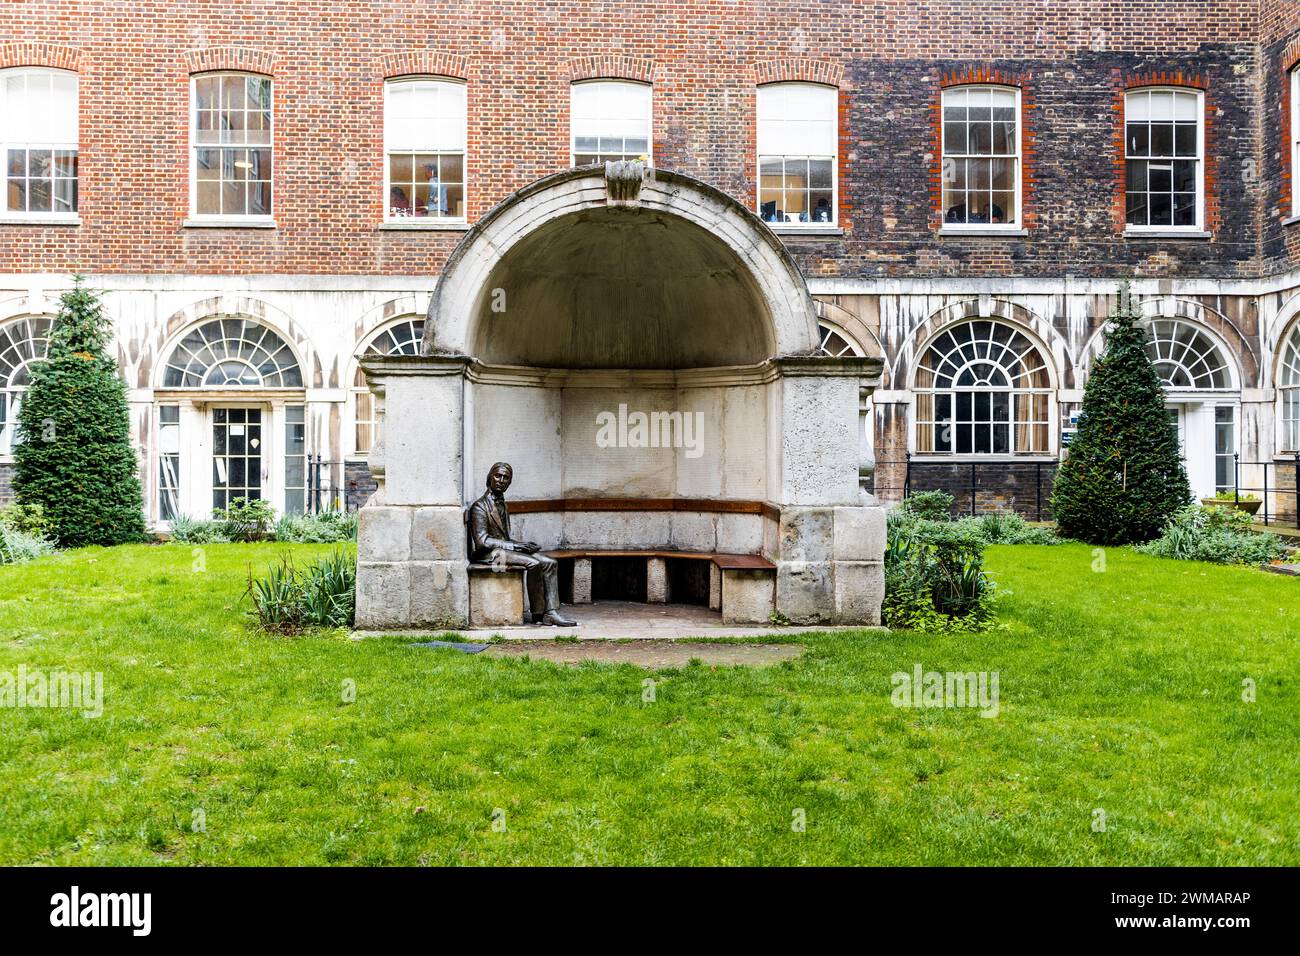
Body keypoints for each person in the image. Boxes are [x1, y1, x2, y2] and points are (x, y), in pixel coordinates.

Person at [467, 462, 577, 626]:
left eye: (506, 478)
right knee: (533, 563)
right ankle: (538, 613)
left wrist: (523, 545)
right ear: (490, 477)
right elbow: (482, 542)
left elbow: (504, 538)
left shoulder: (503, 504)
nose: (501, 480)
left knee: (549, 563)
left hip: (503, 549)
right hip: (489, 555)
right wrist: (515, 546)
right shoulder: (479, 506)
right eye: (498, 476)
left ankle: (551, 612)